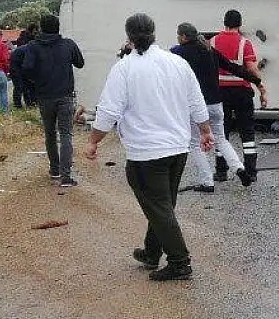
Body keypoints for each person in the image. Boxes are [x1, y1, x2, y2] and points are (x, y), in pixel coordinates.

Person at [86, 14, 212, 281]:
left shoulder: (124, 68)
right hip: (177, 149)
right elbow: (196, 101)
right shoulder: (177, 62)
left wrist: (93, 140)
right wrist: (205, 130)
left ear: (128, 36)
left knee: (159, 207)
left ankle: (180, 262)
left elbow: (109, 111)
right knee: (163, 205)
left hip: (146, 152)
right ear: (154, 33)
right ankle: (151, 253)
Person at [172, 23, 266, 191]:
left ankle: (207, 182)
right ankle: (239, 169)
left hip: (197, 106)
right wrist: (257, 82)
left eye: (179, 35)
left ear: (184, 37)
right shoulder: (210, 51)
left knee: (194, 143)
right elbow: (233, 67)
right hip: (216, 104)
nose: (178, 38)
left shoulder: (180, 52)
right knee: (221, 139)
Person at [22, 15, 84, 185]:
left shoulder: (33, 46)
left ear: (41, 28)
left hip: (44, 96)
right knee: (66, 134)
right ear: (58, 27)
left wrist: (37, 80)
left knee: (50, 134)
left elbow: (26, 69)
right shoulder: (68, 44)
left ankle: (54, 169)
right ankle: (66, 176)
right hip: (65, 96)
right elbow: (80, 63)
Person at [211, 9, 265, 183]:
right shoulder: (244, 43)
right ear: (240, 24)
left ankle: (221, 171)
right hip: (242, 92)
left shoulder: (212, 42)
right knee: (247, 133)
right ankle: (251, 171)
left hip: (219, 93)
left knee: (221, 132)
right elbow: (252, 69)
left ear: (224, 23)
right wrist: (261, 87)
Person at [10, 23, 38, 109]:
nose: (36, 32)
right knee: (20, 86)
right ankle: (18, 105)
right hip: (16, 66)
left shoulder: (30, 46)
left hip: (20, 64)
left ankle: (30, 103)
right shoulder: (29, 48)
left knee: (27, 85)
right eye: (35, 30)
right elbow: (28, 64)